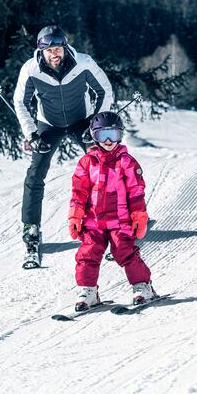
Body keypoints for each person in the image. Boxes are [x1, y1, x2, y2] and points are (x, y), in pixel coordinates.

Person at [13, 25, 113, 262]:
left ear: (65, 47)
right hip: (48, 124)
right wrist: (31, 134)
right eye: (48, 50)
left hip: (83, 122)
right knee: (35, 173)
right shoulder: (31, 69)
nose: (54, 54)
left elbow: (104, 91)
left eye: (57, 48)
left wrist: (95, 127)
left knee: (106, 167)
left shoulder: (83, 63)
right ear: (41, 51)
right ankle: (31, 229)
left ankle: (117, 222)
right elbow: (20, 102)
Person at [67, 111, 156, 311]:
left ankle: (143, 286)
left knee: (125, 252)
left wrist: (139, 216)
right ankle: (88, 290)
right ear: (93, 136)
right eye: (102, 135)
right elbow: (78, 191)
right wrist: (76, 214)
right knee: (87, 254)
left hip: (120, 221)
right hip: (93, 222)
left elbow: (136, 192)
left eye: (113, 135)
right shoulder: (87, 162)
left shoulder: (127, 162)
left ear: (120, 135)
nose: (108, 141)